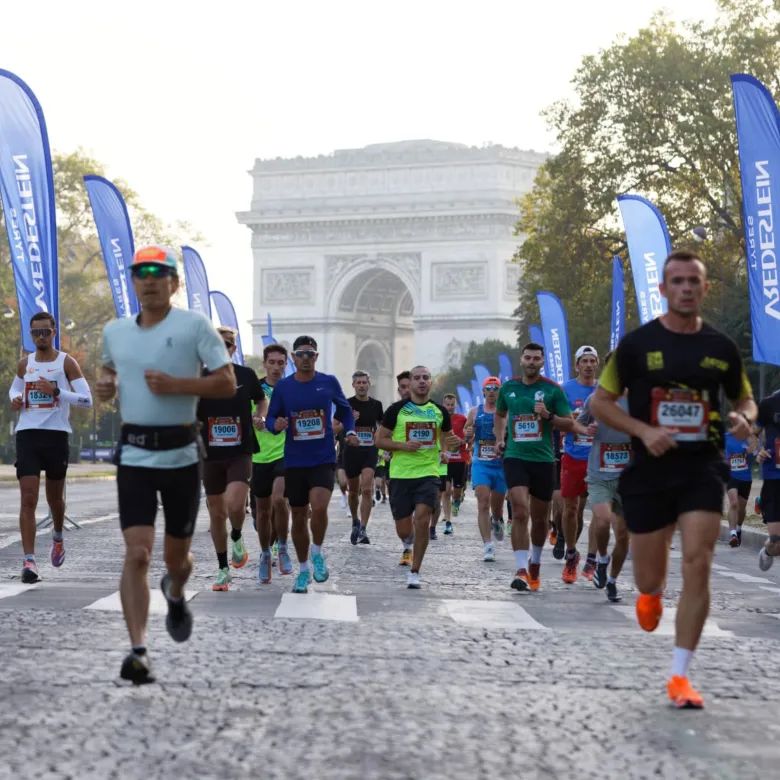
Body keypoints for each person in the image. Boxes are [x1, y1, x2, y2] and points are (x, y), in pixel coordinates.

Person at [590, 248, 756, 709]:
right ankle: (650, 594)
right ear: (663, 289)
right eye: (676, 281)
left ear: (704, 288)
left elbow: (744, 400)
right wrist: (643, 429)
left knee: (698, 559)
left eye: (693, 281)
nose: (685, 288)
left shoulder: (721, 348)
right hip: (647, 470)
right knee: (649, 577)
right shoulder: (636, 346)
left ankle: (680, 676)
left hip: (701, 467)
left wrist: (744, 418)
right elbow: (601, 403)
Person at [97, 245, 236, 684]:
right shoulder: (114, 331)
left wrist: (177, 384)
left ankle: (175, 592)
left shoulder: (194, 325)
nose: (151, 280)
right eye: (142, 273)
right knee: (137, 553)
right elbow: (109, 370)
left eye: (160, 273)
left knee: (178, 561)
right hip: (135, 452)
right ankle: (138, 651)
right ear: (134, 282)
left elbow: (227, 382)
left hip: (180, 454)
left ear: (173, 283)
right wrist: (106, 384)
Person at [264, 335, 358, 593]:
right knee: (297, 515)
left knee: (318, 507)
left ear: (316, 357)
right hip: (295, 459)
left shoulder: (328, 382)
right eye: (300, 354)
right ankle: (303, 568)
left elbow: (345, 410)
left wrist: (349, 430)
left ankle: (317, 551)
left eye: (310, 354)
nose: (305, 359)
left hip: (322, 457)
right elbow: (271, 418)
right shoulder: (283, 387)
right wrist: (276, 425)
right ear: (293, 358)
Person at [9, 312, 92, 583]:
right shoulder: (25, 363)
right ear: (30, 334)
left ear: (54, 332)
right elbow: (14, 390)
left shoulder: (66, 362)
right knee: (28, 498)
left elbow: (86, 400)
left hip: (56, 435)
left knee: (54, 499)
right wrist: (17, 399)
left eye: (45, 332)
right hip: (28, 434)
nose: (40, 337)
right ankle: (29, 561)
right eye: (36, 333)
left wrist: (56, 392)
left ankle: (57, 534)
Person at [494, 343, 576, 591]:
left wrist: (548, 416)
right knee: (520, 511)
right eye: (527, 358)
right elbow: (500, 414)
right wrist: (499, 438)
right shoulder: (508, 388)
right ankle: (520, 568)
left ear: (542, 362)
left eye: (536, 359)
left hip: (543, 460)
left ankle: (535, 563)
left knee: (540, 520)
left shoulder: (552, 390)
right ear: (521, 361)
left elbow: (569, 424)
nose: (531, 362)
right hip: (515, 457)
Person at [197, 327, 265, 591]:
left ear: (233, 349)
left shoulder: (246, 376)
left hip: (240, 450)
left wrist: (260, 415)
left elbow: (261, 401)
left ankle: (237, 535)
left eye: (225, 344)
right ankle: (223, 568)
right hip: (210, 453)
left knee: (235, 504)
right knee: (216, 511)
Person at [376, 366, 456, 587]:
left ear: (431, 383)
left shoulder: (440, 411)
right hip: (401, 475)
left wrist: (454, 445)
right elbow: (379, 440)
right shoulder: (396, 410)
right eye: (417, 378)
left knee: (422, 519)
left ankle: (415, 571)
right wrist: (403, 445)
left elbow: (449, 438)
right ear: (409, 383)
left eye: (426, 378)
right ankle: (408, 542)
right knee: (404, 529)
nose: (422, 381)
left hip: (428, 473)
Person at [574, 351, 630, 602]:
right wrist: (588, 429)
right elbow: (579, 425)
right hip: (599, 474)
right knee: (604, 519)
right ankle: (602, 559)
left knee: (624, 535)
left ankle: (612, 580)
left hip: (629, 476)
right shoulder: (595, 400)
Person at [252, 343, 293, 583]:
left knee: (279, 499)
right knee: (263, 512)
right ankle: (266, 554)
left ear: (286, 364)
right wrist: (254, 420)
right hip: (259, 457)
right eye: (272, 362)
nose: (276, 367)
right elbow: (246, 416)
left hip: (285, 454)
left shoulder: (291, 389)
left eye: (281, 363)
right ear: (264, 363)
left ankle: (284, 547)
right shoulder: (254, 389)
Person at [560, 346, 599, 579]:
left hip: (599, 457)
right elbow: (558, 418)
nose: (588, 365)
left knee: (598, 509)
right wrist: (569, 419)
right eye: (584, 361)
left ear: (597, 364)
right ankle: (571, 553)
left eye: (592, 361)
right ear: (577, 365)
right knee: (571, 509)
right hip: (574, 455)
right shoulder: (565, 389)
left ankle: (593, 557)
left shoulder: (604, 390)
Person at [464, 376, 507, 562]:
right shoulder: (474, 412)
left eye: (495, 388)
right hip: (481, 463)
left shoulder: (507, 413)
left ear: (500, 392)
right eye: (488, 388)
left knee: (497, 507)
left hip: (500, 465)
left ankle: (497, 520)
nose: (491, 391)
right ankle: (488, 546)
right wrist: (467, 434)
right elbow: (467, 437)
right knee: (483, 502)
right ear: (483, 392)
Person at [341, 370, 384, 545]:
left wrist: (380, 438)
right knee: (353, 491)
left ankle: (363, 529)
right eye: (358, 383)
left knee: (366, 489)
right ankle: (355, 522)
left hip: (369, 451)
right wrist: (347, 430)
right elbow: (337, 426)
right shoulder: (347, 404)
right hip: (351, 451)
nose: (361, 385)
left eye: (364, 382)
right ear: (353, 385)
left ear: (369, 384)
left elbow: (382, 425)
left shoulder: (376, 405)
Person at [756, 388, 780, 570]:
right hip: (775, 480)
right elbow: (751, 433)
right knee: (776, 543)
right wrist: (758, 451)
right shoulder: (768, 404)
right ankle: (768, 551)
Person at [724, 429, 758, 548]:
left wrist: (754, 451)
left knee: (742, 507)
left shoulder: (750, 438)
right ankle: (732, 534)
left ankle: (738, 529)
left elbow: (759, 455)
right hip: (731, 476)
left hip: (745, 477)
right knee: (733, 503)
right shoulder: (726, 437)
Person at [442, 393, 469, 522]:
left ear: (456, 405)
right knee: (446, 490)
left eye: (452, 405)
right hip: (445, 460)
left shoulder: (462, 419)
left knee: (456, 491)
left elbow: (469, 434)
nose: (450, 407)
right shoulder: (440, 418)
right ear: (444, 405)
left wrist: (463, 441)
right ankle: (447, 514)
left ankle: (456, 501)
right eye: (447, 405)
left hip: (459, 459)